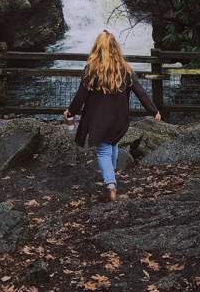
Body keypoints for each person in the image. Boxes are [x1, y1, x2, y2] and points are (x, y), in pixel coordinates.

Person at [63, 30, 161, 201]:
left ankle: (110, 184)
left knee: (103, 150)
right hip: (120, 119)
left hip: (99, 120)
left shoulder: (92, 70)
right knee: (112, 145)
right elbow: (141, 92)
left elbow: (80, 96)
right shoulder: (125, 70)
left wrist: (70, 112)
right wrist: (154, 111)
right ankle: (112, 176)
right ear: (116, 48)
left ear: (97, 48)